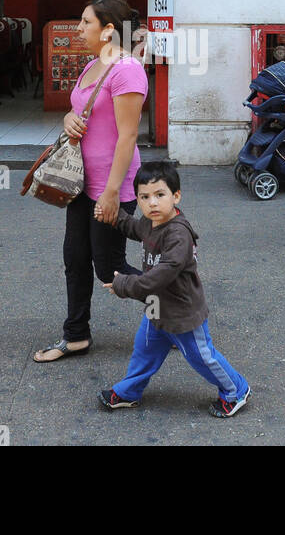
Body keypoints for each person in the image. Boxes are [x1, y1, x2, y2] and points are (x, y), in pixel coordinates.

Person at [33, 0, 147, 363]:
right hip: (80, 182)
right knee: (75, 258)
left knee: (110, 269)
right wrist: (68, 118)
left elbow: (128, 136)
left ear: (109, 29)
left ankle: (178, 306)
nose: (78, 29)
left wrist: (112, 193)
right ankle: (76, 335)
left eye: (85, 22)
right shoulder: (93, 66)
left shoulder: (126, 69)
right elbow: (80, 110)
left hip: (111, 185)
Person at [97, 162, 250, 417]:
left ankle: (236, 390)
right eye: (144, 197)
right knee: (143, 351)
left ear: (176, 196)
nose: (152, 203)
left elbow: (161, 275)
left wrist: (124, 284)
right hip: (157, 309)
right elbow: (134, 228)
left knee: (202, 357)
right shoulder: (150, 222)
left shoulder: (178, 235)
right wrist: (114, 215)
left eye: (160, 195)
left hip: (182, 313)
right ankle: (129, 392)